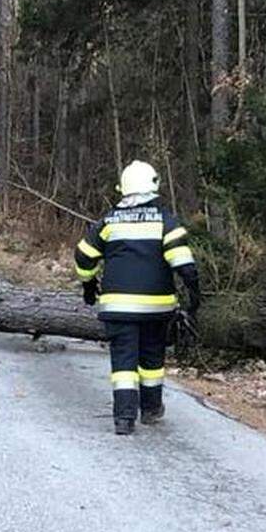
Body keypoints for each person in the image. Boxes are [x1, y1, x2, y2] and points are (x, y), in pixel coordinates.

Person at [74, 160, 200, 436]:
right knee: (152, 359)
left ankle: (124, 418)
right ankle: (152, 409)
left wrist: (88, 285)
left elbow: (84, 256)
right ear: (154, 186)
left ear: (124, 188)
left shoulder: (107, 222)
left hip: (117, 308)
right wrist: (194, 296)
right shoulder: (166, 221)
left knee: (123, 363)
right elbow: (184, 265)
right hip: (157, 309)